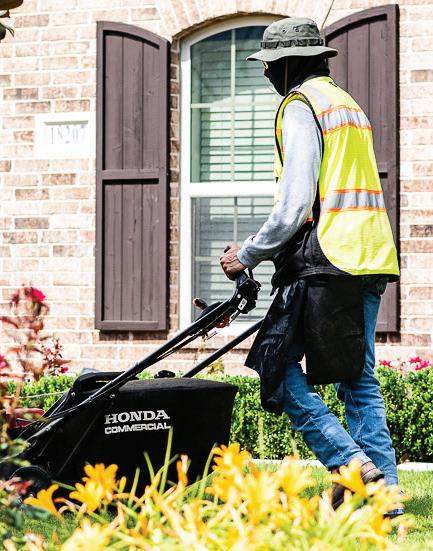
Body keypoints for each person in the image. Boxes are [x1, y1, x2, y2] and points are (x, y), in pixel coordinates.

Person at [218, 17, 403, 516]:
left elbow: (295, 204)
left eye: (269, 66)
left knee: (275, 365)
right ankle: (385, 498)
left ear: (288, 65)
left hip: (328, 259)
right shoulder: (347, 104)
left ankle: (351, 464)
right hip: (370, 255)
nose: (266, 75)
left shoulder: (301, 105)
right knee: (358, 378)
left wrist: (247, 254)